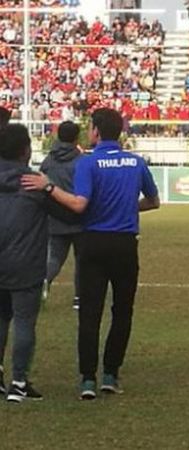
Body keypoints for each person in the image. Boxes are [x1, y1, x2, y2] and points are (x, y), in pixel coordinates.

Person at [21, 108, 160, 400]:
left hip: (94, 243)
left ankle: (87, 379)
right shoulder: (136, 162)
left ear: (95, 131)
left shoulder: (89, 162)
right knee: (122, 311)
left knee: (90, 313)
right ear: (119, 132)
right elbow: (153, 201)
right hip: (125, 244)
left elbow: (79, 205)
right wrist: (125, 209)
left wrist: (48, 187)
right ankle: (110, 374)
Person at [1, 125, 77, 402]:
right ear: (25, 150)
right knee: (23, 322)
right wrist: (49, 186)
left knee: (0, 319)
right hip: (25, 264)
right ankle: (19, 382)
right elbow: (69, 215)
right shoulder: (32, 182)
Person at [40, 121, 83, 310]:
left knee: (54, 258)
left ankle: (43, 282)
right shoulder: (81, 161)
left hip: (55, 216)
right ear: (76, 138)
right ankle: (79, 298)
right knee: (82, 260)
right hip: (79, 215)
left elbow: (41, 185)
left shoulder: (48, 160)